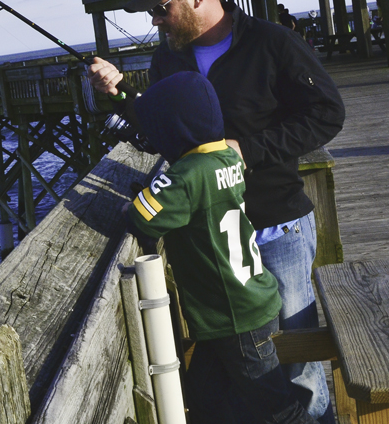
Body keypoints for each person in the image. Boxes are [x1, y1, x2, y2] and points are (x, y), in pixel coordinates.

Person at [89, 0, 345, 424]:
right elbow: (162, 128)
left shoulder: (272, 42)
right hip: (217, 249)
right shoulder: (168, 56)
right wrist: (122, 93)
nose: (155, 20)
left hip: (278, 226)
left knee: (299, 368)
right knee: (241, 376)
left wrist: (247, 149)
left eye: (161, 8)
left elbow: (327, 113)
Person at [126, 72, 317, 424]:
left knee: (279, 411)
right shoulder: (228, 158)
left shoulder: (189, 174)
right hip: (244, 302)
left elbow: (141, 217)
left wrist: (145, 191)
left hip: (234, 317)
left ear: (175, 128)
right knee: (206, 398)